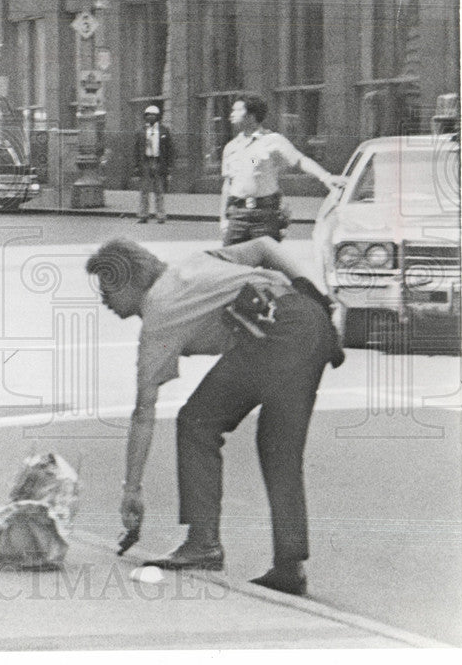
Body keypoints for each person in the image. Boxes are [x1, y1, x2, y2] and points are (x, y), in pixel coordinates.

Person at [86, 236, 344, 595]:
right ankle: (289, 565)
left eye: (106, 292)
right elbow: (265, 247)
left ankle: (203, 543)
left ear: (126, 281)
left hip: (277, 331)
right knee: (278, 445)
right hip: (309, 320)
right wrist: (314, 294)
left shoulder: (159, 317)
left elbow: (144, 412)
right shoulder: (196, 261)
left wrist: (132, 490)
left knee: (196, 422)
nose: (105, 303)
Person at [220, 93, 342, 245]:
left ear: (251, 115)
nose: (231, 114)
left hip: (264, 215)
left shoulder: (272, 140)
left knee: (268, 262)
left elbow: (299, 160)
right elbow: (228, 185)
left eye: (237, 110)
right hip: (237, 215)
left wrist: (326, 177)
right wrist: (223, 219)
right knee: (230, 263)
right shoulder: (231, 147)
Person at [133, 105, 172, 224]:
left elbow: (170, 149)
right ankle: (143, 215)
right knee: (144, 190)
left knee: (159, 190)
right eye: (148, 114)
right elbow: (136, 150)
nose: (151, 117)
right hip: (145, 161)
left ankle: (160, 215)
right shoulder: (140, 131)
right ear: (145, 116)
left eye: (153, 115)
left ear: (158, 117)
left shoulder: (164, 130)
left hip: (158, 161)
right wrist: (136, 166)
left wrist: (169, 166)